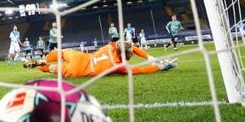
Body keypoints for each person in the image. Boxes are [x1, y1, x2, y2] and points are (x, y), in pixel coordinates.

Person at [26, 40, 177, 78]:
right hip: (79, 70)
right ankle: (40, 65)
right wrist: (159, 66)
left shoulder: (112, 46)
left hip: (80, 57)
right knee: (53, 69)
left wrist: (150, 57)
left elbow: (129, 47)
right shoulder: (118, 65)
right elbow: (138, 70)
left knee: (59, 52)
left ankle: (37, 61)